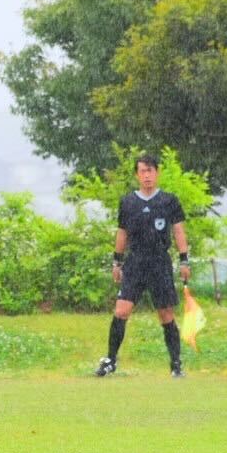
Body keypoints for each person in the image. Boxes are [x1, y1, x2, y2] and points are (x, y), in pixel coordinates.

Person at [96, 153, 190, 378]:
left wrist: (185, 260)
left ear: (157, 173)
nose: (146, 175)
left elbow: (178, 231)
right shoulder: (128, 202)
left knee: (166, 314)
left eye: (150, 171)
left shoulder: (169, 200)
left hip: (159, 262)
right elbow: (122, 232)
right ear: (137, 175)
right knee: (121, 310)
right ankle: (110, 361)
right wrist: (117, 262)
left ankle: (176, 365)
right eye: (142, 171)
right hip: (135, 262)